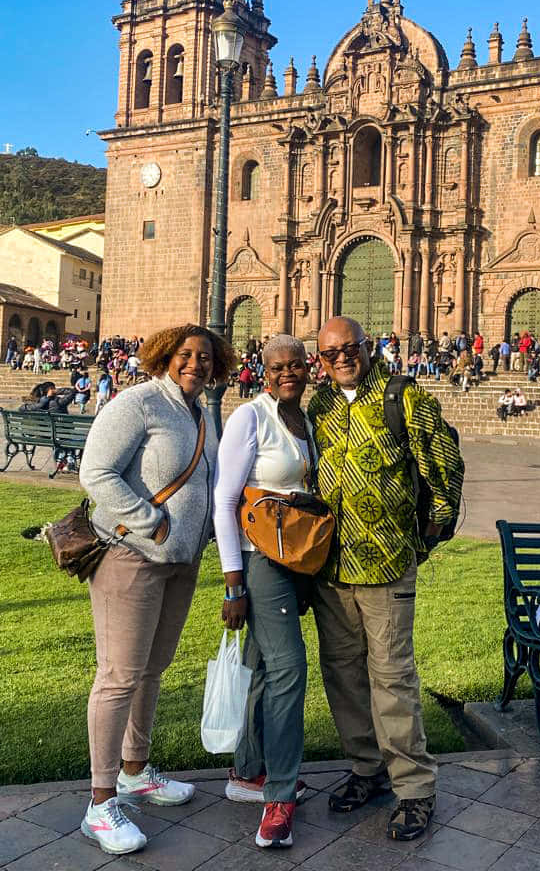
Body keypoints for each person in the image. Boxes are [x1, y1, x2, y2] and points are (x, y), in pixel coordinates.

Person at [78, 324, 234, 857]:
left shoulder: (201, 413)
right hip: (132, 557)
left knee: (151, 669)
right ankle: (99, 806)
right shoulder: (139, 402)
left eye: (206, 356)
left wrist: (202, 536)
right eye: (186, 354)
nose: (196, 363)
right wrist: (152, 522)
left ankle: (135, 772)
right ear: (165, 356)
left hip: (179, 564)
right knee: (119, 676)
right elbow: (95, 472)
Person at [308, 317, 464, 842]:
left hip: (387, 564)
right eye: (331, 353)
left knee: (392, 677)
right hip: (331, 568)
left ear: (369, 348)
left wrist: (426, 536)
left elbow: (444, 466)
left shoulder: (405, 397)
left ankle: (415, 788)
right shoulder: (320, 406)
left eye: (350, 348)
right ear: (321, 360)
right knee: (343, 673)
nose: (342, 358)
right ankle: (366, 768)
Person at [213, 335, 314, 849]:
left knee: (263, 667)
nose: (287, 373)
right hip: (259, 562)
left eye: (295, 365)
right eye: (278, 367)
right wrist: (233, 582)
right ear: (264, 371)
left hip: (295, 560)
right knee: (290, 670)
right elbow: (225, 499)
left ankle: (248, 772)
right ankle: (278, 797)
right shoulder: (248, 418)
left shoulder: (305, 421)